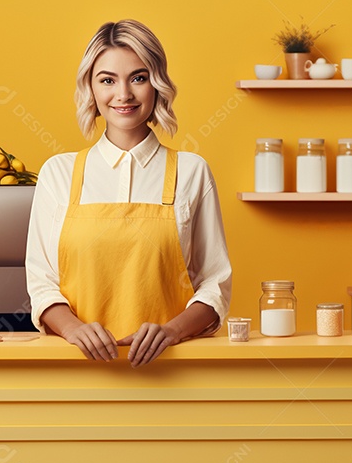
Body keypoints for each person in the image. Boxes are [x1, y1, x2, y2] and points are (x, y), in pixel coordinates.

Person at [26, 19, 232, 367]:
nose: (123, 95)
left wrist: (171, 332)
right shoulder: (57, 174)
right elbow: (42, 281)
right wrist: (74, 329)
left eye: (138, 78)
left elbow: (215, 283)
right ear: (90, 88)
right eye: (107, 80)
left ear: (157, 84)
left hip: (174, 372)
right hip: (75, 369)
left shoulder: (191, 172)